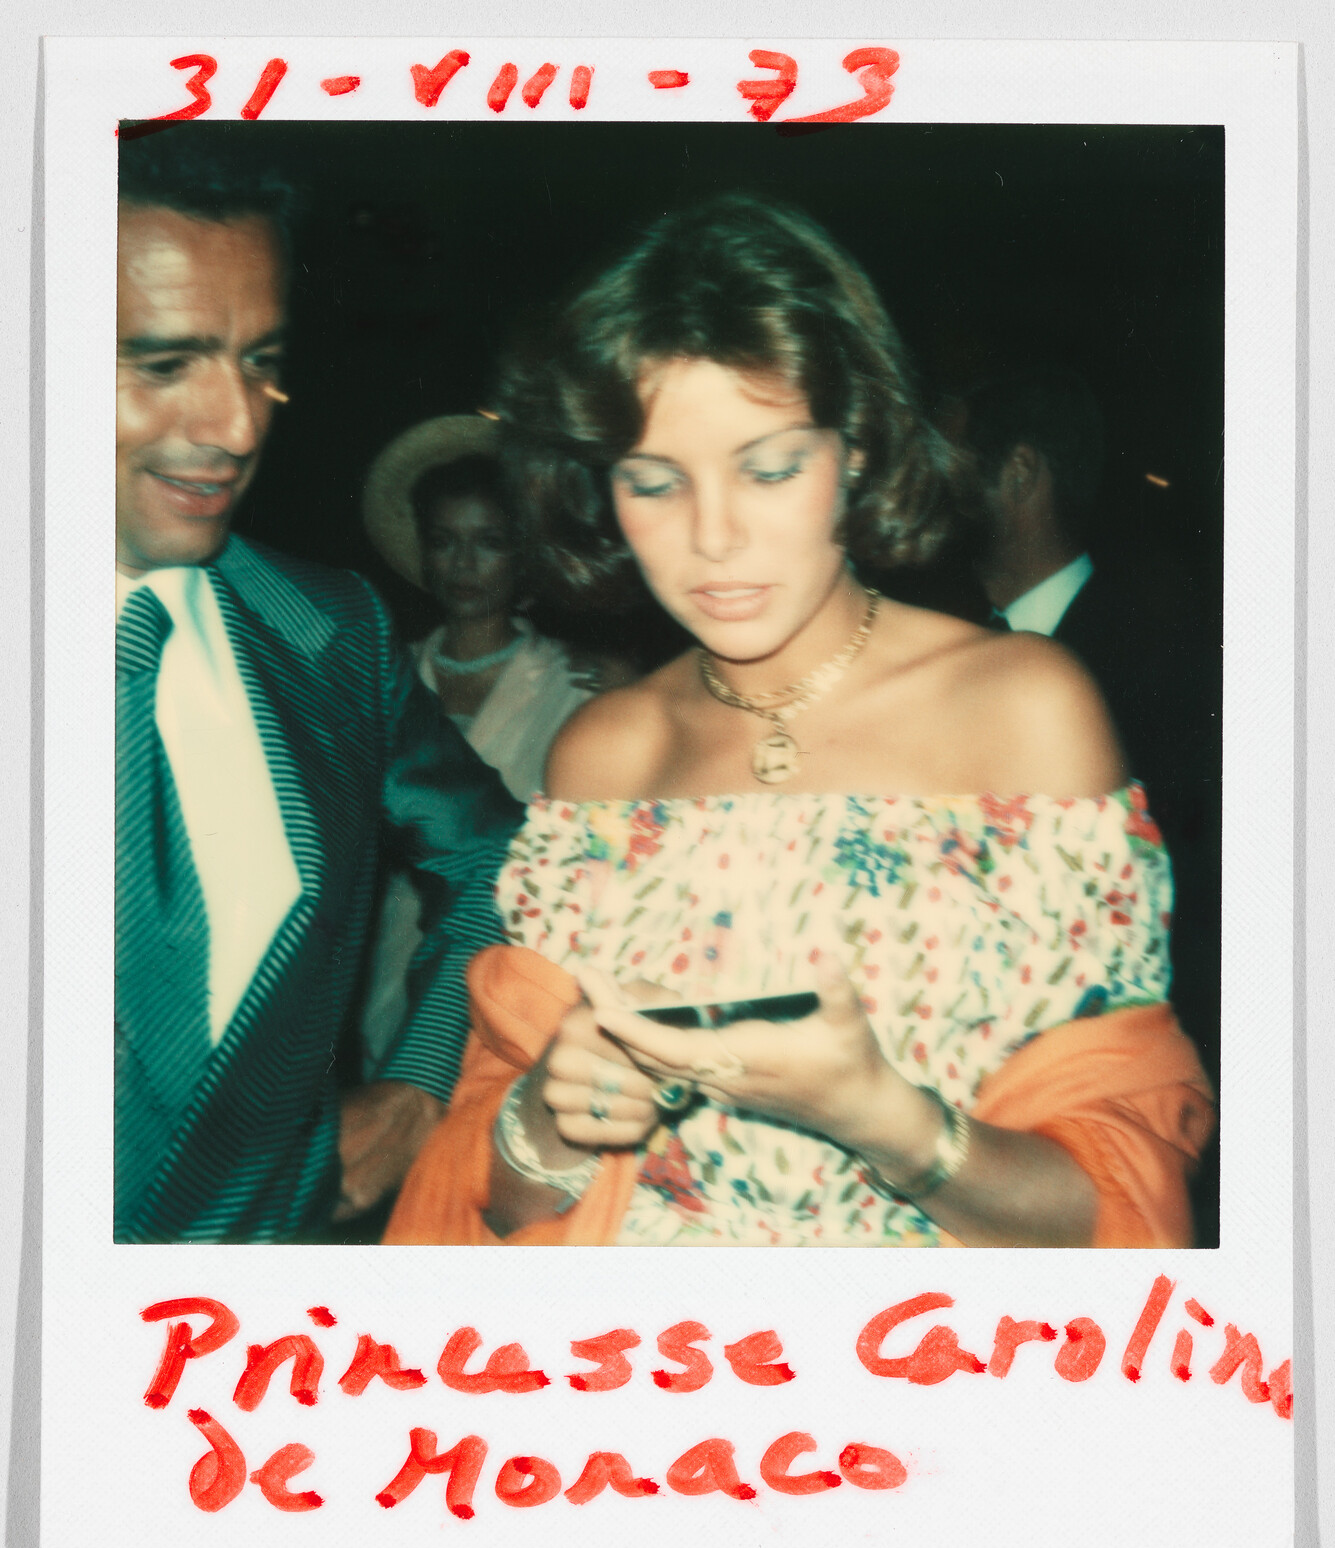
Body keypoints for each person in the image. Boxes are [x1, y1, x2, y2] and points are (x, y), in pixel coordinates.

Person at [386, 197, 1214, 1250]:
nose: (715, 537)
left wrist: (891, 1122)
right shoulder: (605, 750)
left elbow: (1128, 1212)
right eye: (654, 483)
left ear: (857, 448)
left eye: (769, 468)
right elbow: (498, 1203)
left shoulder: (1022, 710)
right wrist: (549, 1116)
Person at [114, 133, 523, 1242]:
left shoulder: (330, 634)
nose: (237, 427)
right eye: (162, 364)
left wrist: (419, 1081)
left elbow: (503, 857)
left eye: (260, 361)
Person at [962, 366, 1221, 1238]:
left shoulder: (1169, 664)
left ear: (1018, 473)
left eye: (944, 454)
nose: (911, 480)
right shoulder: (941, 655)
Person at [357, 417, 632, 1069]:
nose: (464, 564)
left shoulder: (575, 682)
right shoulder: (384, 674)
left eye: (489, 542)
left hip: (525, 970)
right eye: (444, 541)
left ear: (524, 555)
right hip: (387, 965)